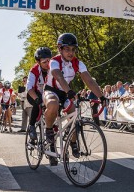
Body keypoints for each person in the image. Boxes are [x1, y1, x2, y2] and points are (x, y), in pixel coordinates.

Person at [41, 33, 106, 166]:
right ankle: (48, 130)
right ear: (60, 49)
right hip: (51, 90)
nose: (71, 53)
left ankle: (72, 142)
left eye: (73, 49)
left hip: (66, 93)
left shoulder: (78, 63)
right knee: (53, 104)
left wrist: (101, 96)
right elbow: (59, 76)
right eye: (67, 49)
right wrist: (69, 91)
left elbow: (89, 80)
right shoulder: (54, 61)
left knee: (75, 116)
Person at [27, 47, 51, 136]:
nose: (47, 64)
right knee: (37, 103)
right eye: (44, 62)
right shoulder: (34, 70)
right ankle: (31, 126)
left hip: (48, 94)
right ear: (38, 62)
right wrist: (37, 99)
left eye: (49, 61)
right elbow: (29, 88)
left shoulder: (54, 68)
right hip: (33, 93)